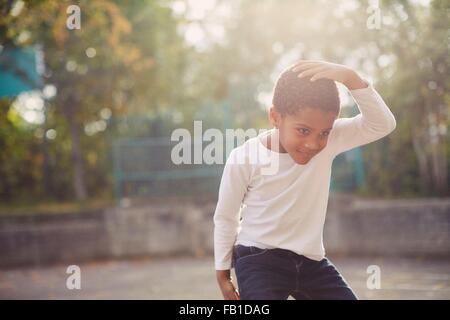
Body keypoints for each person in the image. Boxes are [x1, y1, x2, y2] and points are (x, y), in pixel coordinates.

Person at [213, 60, 397, 300]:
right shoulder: (244, 158)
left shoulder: (331, 142)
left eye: (324, 133)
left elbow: (382, 124)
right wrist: (223, 275)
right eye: (303, 130)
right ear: (275, 117)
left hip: (311, 262)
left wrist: (351, 78)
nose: (313, 143)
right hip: (258, 261)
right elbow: (226, 218)